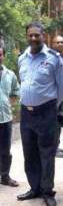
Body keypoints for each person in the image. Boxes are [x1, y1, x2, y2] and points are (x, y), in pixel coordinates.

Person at [17, 22, 63, 206]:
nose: (33, 38)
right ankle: (35, 188)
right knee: (29, 153)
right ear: (27, 36)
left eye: (36, 35)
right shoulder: (22, 58)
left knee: (46, 154)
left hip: (46, 112)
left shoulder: (54, 59)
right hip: (26, 113)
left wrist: (52, 107)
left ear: (43, 36)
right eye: (30, 35)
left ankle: (47, 192)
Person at [0, 45, 20, 187]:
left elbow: (15, 93)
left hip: (5, 119)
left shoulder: (10, 75)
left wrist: (8, 105)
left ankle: (5, 176)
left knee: (5, 150)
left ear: (3, 56)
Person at [52, 35, 63, 158]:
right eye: (57, 42)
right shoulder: (51, 58)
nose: (60, 44)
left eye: (62, 42)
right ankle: (53, 148)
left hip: (62, 98)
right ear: (53, 44)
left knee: (59, 122)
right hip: (53, 98)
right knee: (53, 124)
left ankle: (56, 146)